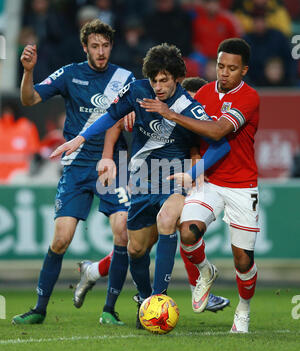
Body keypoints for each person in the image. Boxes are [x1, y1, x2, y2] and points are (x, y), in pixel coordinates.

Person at [50, 43, 231, 329]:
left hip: (173, 179)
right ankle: (147, 302)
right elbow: (110, 116)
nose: (158, 87)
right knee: (135, 250)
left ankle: (160, 298)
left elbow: (222, 146)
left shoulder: (188, 107)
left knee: (167, 219)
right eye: (154, 80)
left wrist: (193, 171)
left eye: (164, 80)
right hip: (142, 181)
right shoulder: (137, 90)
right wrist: (80, 139)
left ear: (177, 79)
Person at [12, 19, 135, 325]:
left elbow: (138, 108)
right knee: (61, 240)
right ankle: (39, 309)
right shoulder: (70, 74)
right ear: (85, 48)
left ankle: (109, 310)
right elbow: (29, 99)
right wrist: (28, 71)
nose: (101, 51)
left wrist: (135, 109)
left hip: (111, 165)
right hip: (77, 166)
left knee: (122, 233)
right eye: (95, 46)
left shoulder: (124, 78)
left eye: (106, 46)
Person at [139, 38, 260, 333]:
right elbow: (194, 138)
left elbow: (218, 131)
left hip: (242, 185)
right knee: (188, 231)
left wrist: (170, 113)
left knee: (243, 261)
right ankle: (205, 271)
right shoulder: (204, 93)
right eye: (220, 66)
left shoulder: (250, 97)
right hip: (210, 181)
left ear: (244, 70)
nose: (224, 73)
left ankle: (243, 310)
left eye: (232, 68)